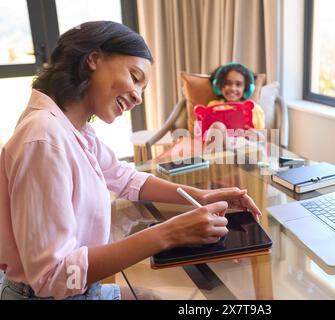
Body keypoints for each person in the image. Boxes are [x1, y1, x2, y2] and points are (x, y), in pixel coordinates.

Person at [0, 21, 262, 300]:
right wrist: (169, 233)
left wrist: (201, 196)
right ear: (94, 59)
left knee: (154, 297)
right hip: (50, 294)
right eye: (135, 77)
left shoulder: (72, 129)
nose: (138, 97)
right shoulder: (45, 140)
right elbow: (53, 277)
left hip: (77, 289)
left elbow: (124, 177)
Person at [202, 63, 265, 146]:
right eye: (227, 83)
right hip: (219, 150)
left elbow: (262, 139)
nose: (232, 88)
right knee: (218, 127)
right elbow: (206, 135)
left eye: (238, 84)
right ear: (219, 86)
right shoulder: (213, 107)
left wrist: (257, 136)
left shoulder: (254, 109)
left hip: (244, 148)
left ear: (246, 88)